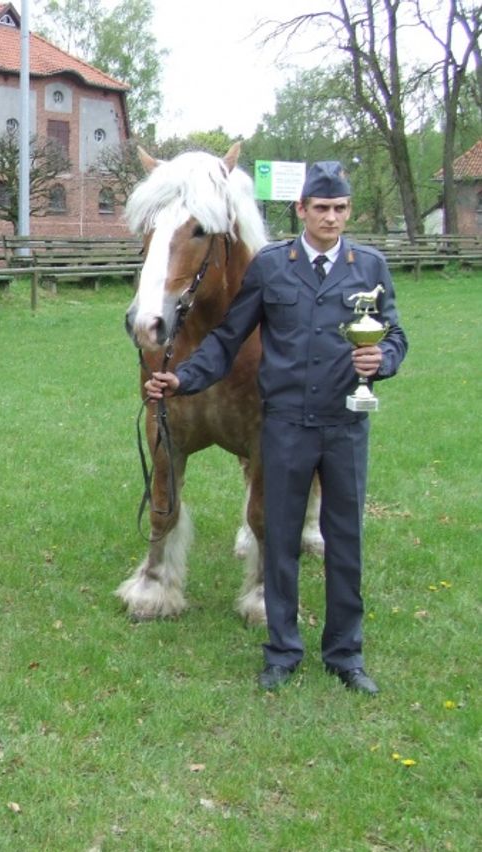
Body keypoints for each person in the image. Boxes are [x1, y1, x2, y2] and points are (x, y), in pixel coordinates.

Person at [144, 161, 407, 695]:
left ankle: (345, 654)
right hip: (286, 423)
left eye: (338, 209)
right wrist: (182, 378)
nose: (329, 218)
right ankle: (282, 650)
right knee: (280, 535)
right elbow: (226, 339)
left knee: (345, 541)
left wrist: (383, 359)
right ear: (301, 211)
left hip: (344, 422)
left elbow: (395, 333)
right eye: (320, 208)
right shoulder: (272, 266)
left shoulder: (370, 267)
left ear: (347, 212)